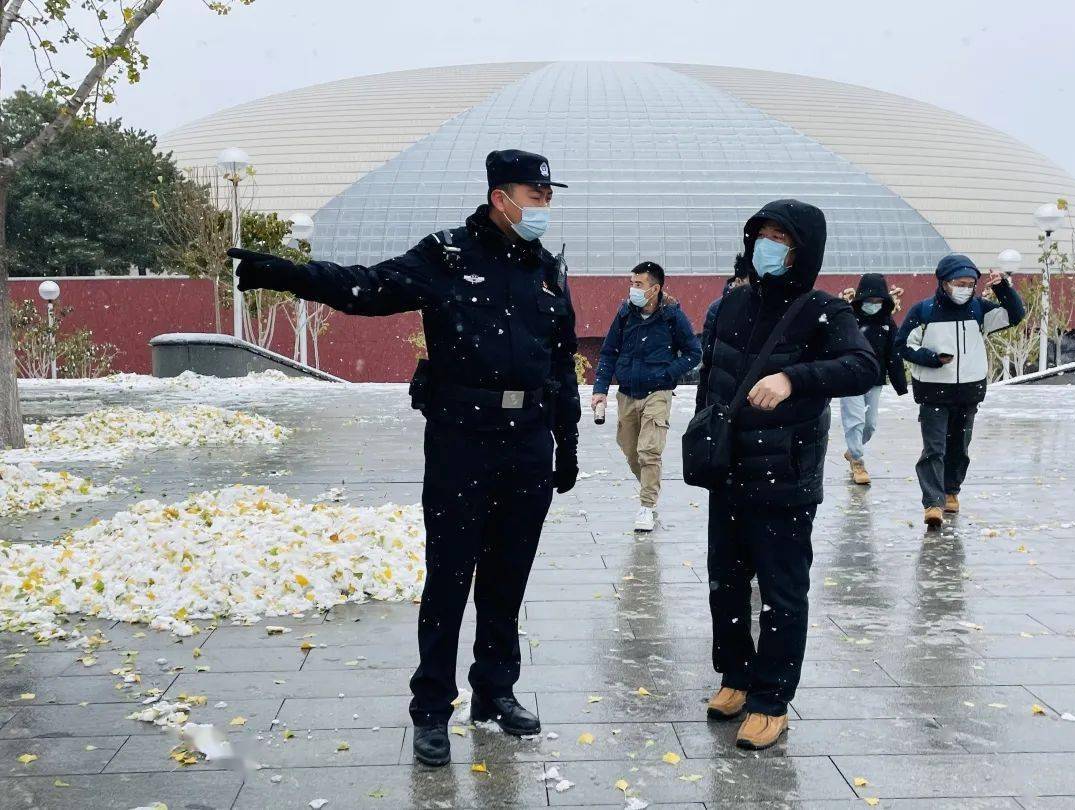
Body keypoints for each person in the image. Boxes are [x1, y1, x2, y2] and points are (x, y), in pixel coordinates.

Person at [228, 149, 581, 767]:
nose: (544, 207)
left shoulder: (547, 270)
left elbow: (562, 362)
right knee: (449, 578)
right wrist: (286, 274)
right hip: (462, 441)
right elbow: (365, 287)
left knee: (507, 580)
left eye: (549, 197)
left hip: (528, 441)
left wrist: (567, 442)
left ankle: (496, 690)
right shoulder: (447, 255)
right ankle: (431, 710)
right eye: (537, 196)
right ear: (502, 197)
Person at [695, 199, 878, 750]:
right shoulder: (730, 306)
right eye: (762, 235)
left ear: (803, 251)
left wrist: (794, 379)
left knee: (781, 591)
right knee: (725, 583)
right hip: (728, 471)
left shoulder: (822, 311)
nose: (767, 246)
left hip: (785, 477)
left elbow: (863, 366)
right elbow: (710, 378)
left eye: (782, 238)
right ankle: (735, 676)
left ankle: (772, 700)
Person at [895, 254, 1024, 527]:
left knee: (959, 448)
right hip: (933, 393)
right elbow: (903, 344)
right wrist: (930, 358)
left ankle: (951, 489)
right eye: (959, 282)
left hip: (968, 392)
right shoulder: (924, 311)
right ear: (944, 283)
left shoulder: (979, 310)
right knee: (934, 449)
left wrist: (1003, 289)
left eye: (970, 283)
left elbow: (1015, 315)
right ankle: (933, 503)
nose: (964, 288)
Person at [590, 261, 702, 532]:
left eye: (638, 284)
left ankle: (647, 506)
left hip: (658, 393)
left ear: (655, 288)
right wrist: (600, 390)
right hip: (627, 392)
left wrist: (667, 374)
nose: (633, 289)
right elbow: (608, 353)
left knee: (648, 451)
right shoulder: (625, 314)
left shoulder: (672, 316)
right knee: (631, 452)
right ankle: (650, 488)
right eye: (631, 283)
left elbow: (693, 353)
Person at [838, 273, 908, 485]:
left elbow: (893, 354)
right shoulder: (849, 319)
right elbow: (836, 347)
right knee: (855, 420)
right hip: (850, 379)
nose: (873, 305)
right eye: (869, 301)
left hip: (874, 380)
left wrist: (900, 384)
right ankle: (857, 460)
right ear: (861, 299)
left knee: (870, 424)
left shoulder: (887, 323)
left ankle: (853, 449)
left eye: (878, 301)